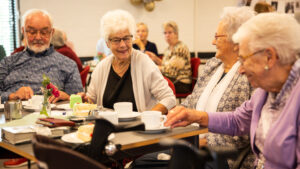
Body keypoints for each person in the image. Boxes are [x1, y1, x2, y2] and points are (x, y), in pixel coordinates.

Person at [165, 13, 300, 169]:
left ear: (269, 57)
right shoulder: (265, 92)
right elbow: (237, 121)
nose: (240, 70)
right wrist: (195, 116)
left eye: (244, 59)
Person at [79, 9, 176, 114]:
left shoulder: (144, 62)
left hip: (139, 127)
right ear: (108, 43)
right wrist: (85, 100)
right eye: (116, 40)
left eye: (126, 38)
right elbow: (91, 99)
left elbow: (169, 98)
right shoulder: (101, 67)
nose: (122, 45)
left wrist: (147, 118)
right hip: (107, 126)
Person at [0, 9, 83, 104]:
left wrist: (67, 97)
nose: (38, 37)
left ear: (52, 33)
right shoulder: (8, 63)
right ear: (23, 31)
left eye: (44, 33)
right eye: (32, 32)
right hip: (12, 115)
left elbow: (79, 101)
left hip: (52, 116)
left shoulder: (68, 64)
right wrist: (12, 96)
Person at [159, 21, 192, 94]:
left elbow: (171, 71)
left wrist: (153, 68)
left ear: (176, 34)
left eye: (170, 32)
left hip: (181, 83)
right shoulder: (167, 49)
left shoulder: (181, 48)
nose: (167, 35)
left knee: (154, 84)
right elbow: (165, 66)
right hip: (173, 80)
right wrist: (155, 58)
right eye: (165, 33)